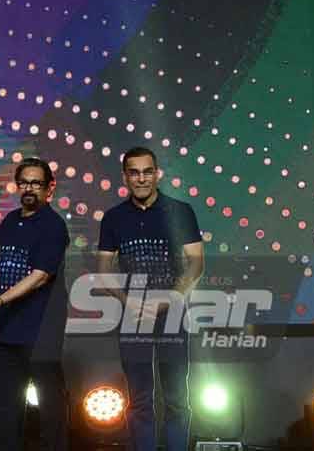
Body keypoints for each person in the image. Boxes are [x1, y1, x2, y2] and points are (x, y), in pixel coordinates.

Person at [96, 146, 204, 451]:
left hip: (173, 315)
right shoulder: (114, 218)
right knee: (140, 400)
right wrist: (127, 300)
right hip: (133, 316)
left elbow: (196, 261)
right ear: (125, 177)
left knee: (176, 400)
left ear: (157, 174)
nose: (141, 178)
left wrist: (172, 297)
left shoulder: (180, 211)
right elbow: (103, 270)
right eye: (134, 172)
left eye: (147, 171)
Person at [0, 157, 69, 451]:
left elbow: (40, 277)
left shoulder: (53, 225)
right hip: (8, 329)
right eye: (24, 182)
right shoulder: (11, 220)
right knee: (6, 408)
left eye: (36, 183)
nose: (29, 188)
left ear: (49, 188)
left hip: (41, 332)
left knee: (50, 408)